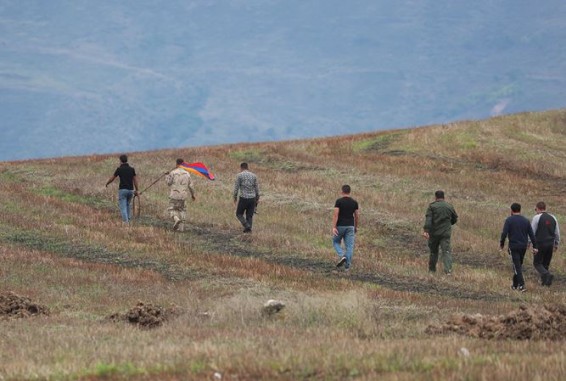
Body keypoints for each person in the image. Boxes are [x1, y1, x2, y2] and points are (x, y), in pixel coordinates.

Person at [499, 203, 538, 292]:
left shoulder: (509, 220)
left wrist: (502, 244)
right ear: (520, 210)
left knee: (517, 267)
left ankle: (522, 285)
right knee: (518, 265)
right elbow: (532, 235)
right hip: (523, 247)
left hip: (513, 246)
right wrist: (535, 246)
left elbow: (504, 233)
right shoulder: (526, 221)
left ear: (511, 211)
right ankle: (514, 285)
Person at [422, 190, 458, 274]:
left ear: (435, 197)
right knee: (446, 251)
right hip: (445, 233)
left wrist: (426, 230)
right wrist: (448, 224)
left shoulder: (432, 206)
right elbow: (455, 219)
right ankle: (448, 271)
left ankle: (432, 270)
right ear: (443, 197)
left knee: (434, 252)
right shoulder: (449, 206)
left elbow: (428, 219)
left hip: (434, 233)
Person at [531, 201, 560, 286]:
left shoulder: (537, 217)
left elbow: (532, 231)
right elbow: (557, 232)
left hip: (539, 243)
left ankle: (547, 275)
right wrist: (556, 243)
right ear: (545, 208)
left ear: (538, 208)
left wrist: (529, 242)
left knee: (537, 263)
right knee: (545, 263)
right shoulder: (553, 217)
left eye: (535, 209)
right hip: (550, 244)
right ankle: (546, 283)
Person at [105, 154, 139, 224]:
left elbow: (112, 178)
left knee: (123, 207)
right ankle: (129, 220)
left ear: (120, 161)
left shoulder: (119, 169)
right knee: (128, 205)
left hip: (123, 190)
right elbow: (135, 180)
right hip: (130, 190)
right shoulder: (132, 169)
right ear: (127, 160)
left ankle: (126, 222)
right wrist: (137, 190)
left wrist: (107, 183)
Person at [332, 184, 359, 271]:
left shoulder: (339, 201)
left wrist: (334, 227)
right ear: (349, 192)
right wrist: (355, 226)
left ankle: (342, 255)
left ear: (342, 191)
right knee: (350, 246)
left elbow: (336, 215)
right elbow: (357, 216)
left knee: (335, 242)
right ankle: (347, 267)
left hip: (340, 226)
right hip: (350, 226)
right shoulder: (354, 202)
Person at [165, 158, 196, 232]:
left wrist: (166, 175)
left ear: (176, 164)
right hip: (183, 195)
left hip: (174, 195)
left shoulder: (173, 172)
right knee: (182, 210)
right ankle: (181, 229)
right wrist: (193, 195)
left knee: (171, 209)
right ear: (183, 164)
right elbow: (191, 186)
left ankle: (176, 219)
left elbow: (168, 183)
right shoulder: (187, 174)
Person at [233, 162, 260, 233]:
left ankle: (246, 226)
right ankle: (248, 231)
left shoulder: (239, 175)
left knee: (239, 214)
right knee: (249, 216)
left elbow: (236, 188)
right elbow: (257, 188)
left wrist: (235, 197)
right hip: (252, 199)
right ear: (247, 167)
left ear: (241, 168)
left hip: (243, 198)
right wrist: (257, 198)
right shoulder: (254, 176)